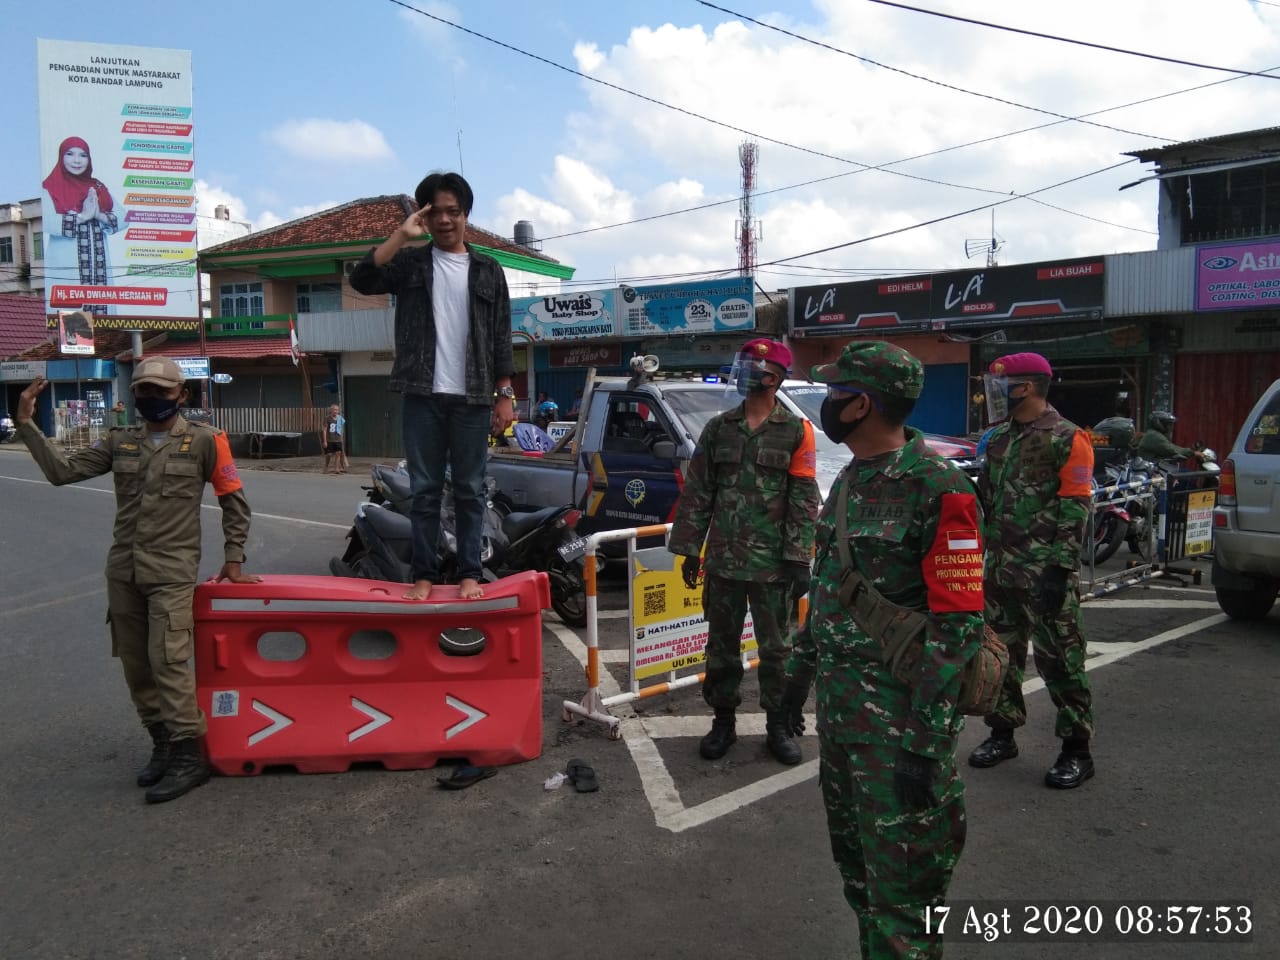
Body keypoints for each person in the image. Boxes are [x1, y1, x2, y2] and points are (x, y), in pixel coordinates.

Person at [780, 341, 986, 959]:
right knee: (862, 886)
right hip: (843, 727)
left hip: (899, 734)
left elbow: (957, 628)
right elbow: (827, 593)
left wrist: (926, 746)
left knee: (905, 907)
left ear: (860, 403)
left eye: (835, 391)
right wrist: (796, 682)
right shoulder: (847, 480)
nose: (826, 402)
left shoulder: (940, 489)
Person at [13, 357, 260, 803]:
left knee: (168, 662)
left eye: (162, 392)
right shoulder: (120, 442)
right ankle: (162, 744)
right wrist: (27, 424)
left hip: (171, 572)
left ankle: (190, 755)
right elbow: (62, 473)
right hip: (124, 570)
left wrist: (234, 559)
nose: (152, 399)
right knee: (136, 666)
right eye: (144, 391)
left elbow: (234, 502)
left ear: (181, 396)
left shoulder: (207, 441)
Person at [348, 171, 515, 601]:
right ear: (424, 216)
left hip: (474, 397)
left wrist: (505, 394)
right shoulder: (410, 264)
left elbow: (500, 335)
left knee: (470, 490)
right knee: (423, 489)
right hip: (422, 394)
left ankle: (469, 575)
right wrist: (400, 236)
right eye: (435, 212)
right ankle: (422, 575)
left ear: (466, 215)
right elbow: (363, 279)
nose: (444, 220)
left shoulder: (489, 270)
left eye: (453, 212)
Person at [668, 338, 820, 765]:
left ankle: (777, 725)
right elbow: (699, 492)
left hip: (773, 565)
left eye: (755, 367)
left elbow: (803, 497)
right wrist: (689, 550)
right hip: (724, 561)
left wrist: (798, 557)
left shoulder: (796, 430)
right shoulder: (720, 428)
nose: (746, 373)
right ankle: (723, 722)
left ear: (774, 378)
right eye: (745, 364)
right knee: (721, 648)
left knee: (777, 651)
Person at [969, 352, 1096, 789]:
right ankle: (1002, 734)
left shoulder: (1068, 438)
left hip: (1045, 573)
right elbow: (986, 499)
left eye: (1002, 385)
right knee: (1001, 657)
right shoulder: (998, 438)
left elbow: (1075, 507)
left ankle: (1077, 749)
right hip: (1001, 570)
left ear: (1025, 387)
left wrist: (1060, 571)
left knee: (1061, 659)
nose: (995, 393)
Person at [42, 136, 118, 314]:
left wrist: (98, 214)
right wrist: (83, 217)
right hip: (68, 278)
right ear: (61, 157)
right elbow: (48, 221)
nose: (77, 160)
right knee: (75, 336)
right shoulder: (50, 188)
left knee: (107, 336)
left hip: (100, 277)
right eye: (70, 154)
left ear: (89, 159)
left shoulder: (97, 187)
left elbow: (124, 217)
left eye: (83, 155)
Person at [321, 403, 348, 474]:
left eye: (336, 410)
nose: (335, 411)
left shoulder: (340, 418)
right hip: (329, 439)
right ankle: (326, 466)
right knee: (329, 454)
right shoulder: (327, 418)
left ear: (338, 411)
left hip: (338, 439)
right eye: (334, 410)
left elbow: (341, 428)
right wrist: (325, 441)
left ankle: (337, 468)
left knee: (338, 453)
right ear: (331, 410)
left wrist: (341, 438)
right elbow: (324, 430)